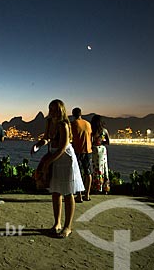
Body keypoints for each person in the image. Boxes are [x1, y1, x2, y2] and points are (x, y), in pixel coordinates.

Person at [31, 99, 84, 239]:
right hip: (54, 156)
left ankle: (68, 226)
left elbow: (62, 147)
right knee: (55, 191)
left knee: (68, 192)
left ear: (61, 110)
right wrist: (38, 145)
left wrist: (47, 162)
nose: (52, 111)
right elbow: (47, 138)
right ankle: (57, 223)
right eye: (50, 108)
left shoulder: (64, 125)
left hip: (65, 158)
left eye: (55, 109)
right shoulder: (49, 122)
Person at [71, 107, 93, 202]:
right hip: (88, 150)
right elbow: (91, 137)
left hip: (77, 151)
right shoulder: (88, 124)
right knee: (88, 173)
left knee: (77, 173)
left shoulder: (73, 124)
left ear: (73, 114)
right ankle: (87, 195)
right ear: (81, 114)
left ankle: (79, 196)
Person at [90, 114, 110, 194]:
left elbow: (90, 142)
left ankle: (97, 187)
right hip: (102, 149)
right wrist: (101, 141)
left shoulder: (92, 131)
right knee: (104, 167)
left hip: (94, 149)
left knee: (96, 168)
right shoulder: (104, 131)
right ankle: (106, 187)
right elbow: (108, 142)